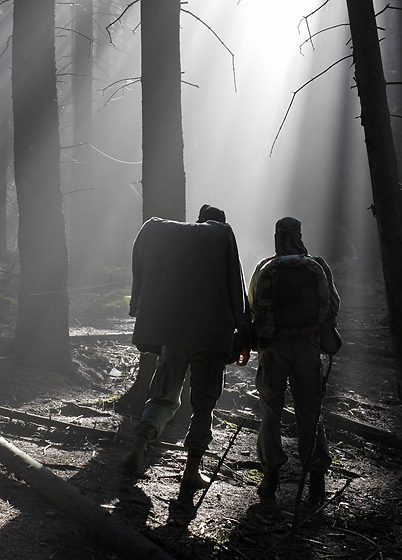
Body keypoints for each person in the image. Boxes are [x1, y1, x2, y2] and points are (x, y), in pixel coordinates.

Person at [122, 205, 250, 488]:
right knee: (204, 406)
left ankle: (139, 447)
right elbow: (239, 296)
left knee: (162, 397)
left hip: (175, 335)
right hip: (212, 339)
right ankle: (191, 471)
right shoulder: (224, 246)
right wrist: (244, 340)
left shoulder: (177, 253)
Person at [248, 217, 340, 504]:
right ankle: (316, 481)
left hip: (274, 350)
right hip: (308, 347)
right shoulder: (317, 266)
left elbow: (252, 307)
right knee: (310, 413)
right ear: (299, 234)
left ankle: (270, 476)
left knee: (271, 413)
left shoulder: (266, 267)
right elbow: (333, 305)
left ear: (277, 236)